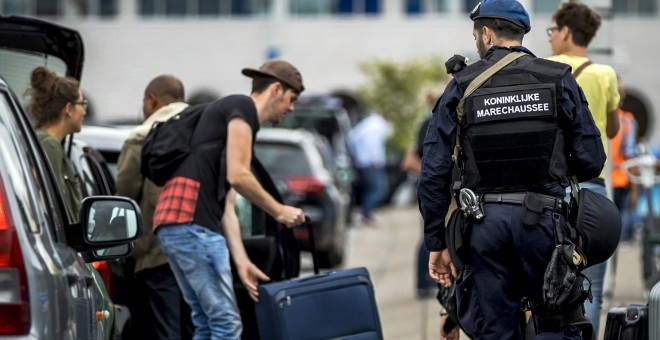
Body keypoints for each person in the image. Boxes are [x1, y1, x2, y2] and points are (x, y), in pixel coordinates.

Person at [418, 0, 606, 338]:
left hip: (483, 229)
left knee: (495, 330)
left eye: (476, 34)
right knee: (556, 324)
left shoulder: (461, 86)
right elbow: (592, 160)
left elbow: (433, 171)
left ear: (487, 35)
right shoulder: (558, 79)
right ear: (520, 34)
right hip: (545, 226)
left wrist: (436, 242)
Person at [152, 59, 306, 339]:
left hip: (174, 223)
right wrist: (278, 210)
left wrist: (243, 262)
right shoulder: (243, 108)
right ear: (276, 89)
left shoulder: (229, 115)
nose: (291, 108)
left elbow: (228, 206)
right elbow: (239, 175)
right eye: (291, 98)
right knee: (226, 325)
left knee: (207, 323)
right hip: (191, 225)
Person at [547, 2, 620, 337]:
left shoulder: (542, 68)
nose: (550, 39)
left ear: (565, 31)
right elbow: (613, 128)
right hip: (593, 188)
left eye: (552, 31)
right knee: (593, 281)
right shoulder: (604, 74)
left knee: (547, 276)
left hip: (550, 188)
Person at [114, 75, 193, 339]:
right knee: (200, 326)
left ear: (152, 100)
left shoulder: (141, 137)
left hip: (158, 253)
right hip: (201, 249)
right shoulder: (204, 132)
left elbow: (123, 198)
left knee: (165, 330)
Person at [26, 66, 84, 221]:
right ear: (69, 108)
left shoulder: (44, 141)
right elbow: (55, 207)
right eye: (82, 104)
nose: (84, 111)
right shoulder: (49, 146)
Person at [348, 111, 391, 226]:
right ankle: (366, 214)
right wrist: (373, 158)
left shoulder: (367, 124)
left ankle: (366, 213)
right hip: (372, 163)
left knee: (370, 189)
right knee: (378, 189)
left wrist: (358, 155)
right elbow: (373, 144)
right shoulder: (377, 126)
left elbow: (352, 138)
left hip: (363, 162)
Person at [610, 77, 638, 244]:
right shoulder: (627, 120)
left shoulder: (599, 117)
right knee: (620, 228)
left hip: (608, 180)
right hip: (620, 180)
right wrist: (635, 190)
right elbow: (630, 154)